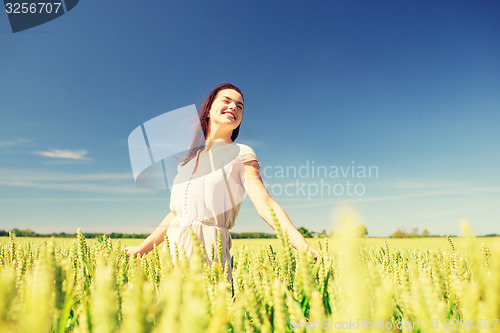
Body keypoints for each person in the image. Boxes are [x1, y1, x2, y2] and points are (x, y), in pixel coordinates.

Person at [125, 83, 319, 280]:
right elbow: (175, 215)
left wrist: (302, 245)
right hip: (172, 257)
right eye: (226, 101)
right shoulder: (186, 163)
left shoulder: (242, 154)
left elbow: (265, 202)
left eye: (239, 106)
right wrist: (141, 249)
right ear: (208, 110)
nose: (233, 107)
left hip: (210, 253)